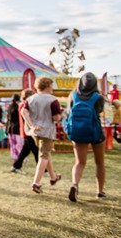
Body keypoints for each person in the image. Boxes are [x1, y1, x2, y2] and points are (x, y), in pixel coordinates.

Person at [67, 72, 107, 202]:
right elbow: (99, 111)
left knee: (79, 162)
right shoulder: (98, 97)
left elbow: (68, 112)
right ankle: (100, 192)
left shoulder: (73, 96)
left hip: (78, 132)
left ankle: (74, 184)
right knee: (99, 162)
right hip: (95, 132)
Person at [22, 77, 63, 194]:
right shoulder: (53, 100)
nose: (53, 88)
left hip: (34, 131)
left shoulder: (30, 99)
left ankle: (53, 177)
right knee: (44, 155)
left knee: (45, 152)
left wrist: (31, 125)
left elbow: (23, 112)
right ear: (48, 86)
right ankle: (36, 182)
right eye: (52, 85)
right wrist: (60, 116)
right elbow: (56, 118)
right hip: (47, 130)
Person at [10, 89, 37, 174]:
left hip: (26, 130)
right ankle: (44, 169)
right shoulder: (24, 105)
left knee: (26, 150)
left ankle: (16, 166)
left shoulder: (22, 105)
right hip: (28, 130)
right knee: (35, 150)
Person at [6, 94, 24, 163]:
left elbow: (8, 119)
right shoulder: (18, 108)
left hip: (10, 128)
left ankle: (14, 157)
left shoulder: (9, 107)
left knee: (12, 144)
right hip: (17, 128)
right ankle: (20, 158)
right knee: (19, 144)